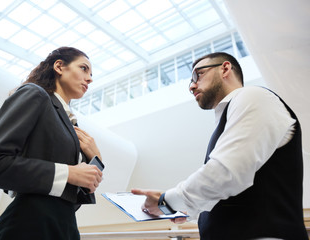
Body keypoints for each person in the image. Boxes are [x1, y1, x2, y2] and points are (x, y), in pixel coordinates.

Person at [132, 52, 308, 239]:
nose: (192, 86)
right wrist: (188, 210)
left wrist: (167, 202)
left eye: (197, 75)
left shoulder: (253, 96)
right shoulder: (231, 116)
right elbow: (230, 190)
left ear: (225, 68)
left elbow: (226, 173)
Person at [0, 47, 103, 240]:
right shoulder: (35, 94)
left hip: (64, 227)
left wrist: (96, 159)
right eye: (84, 68)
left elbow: (70, 195)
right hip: (29, 225)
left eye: (91, 74)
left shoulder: (71, 124)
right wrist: (69, 173)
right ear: (59, 66)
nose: (90, 79)